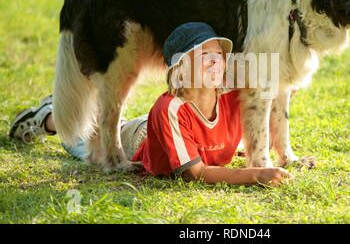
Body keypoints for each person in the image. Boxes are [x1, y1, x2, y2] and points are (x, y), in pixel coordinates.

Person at [9, 22, 292, 186]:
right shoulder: (170, 108)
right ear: (180, 71)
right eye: (202, 54)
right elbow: (196, 173)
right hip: (137, 138)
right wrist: (255, 174)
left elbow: (277, 84)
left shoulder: (236, 93)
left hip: (171, 132)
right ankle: (50, 116)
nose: (214, 59)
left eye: (218, 53)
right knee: (82, 137)